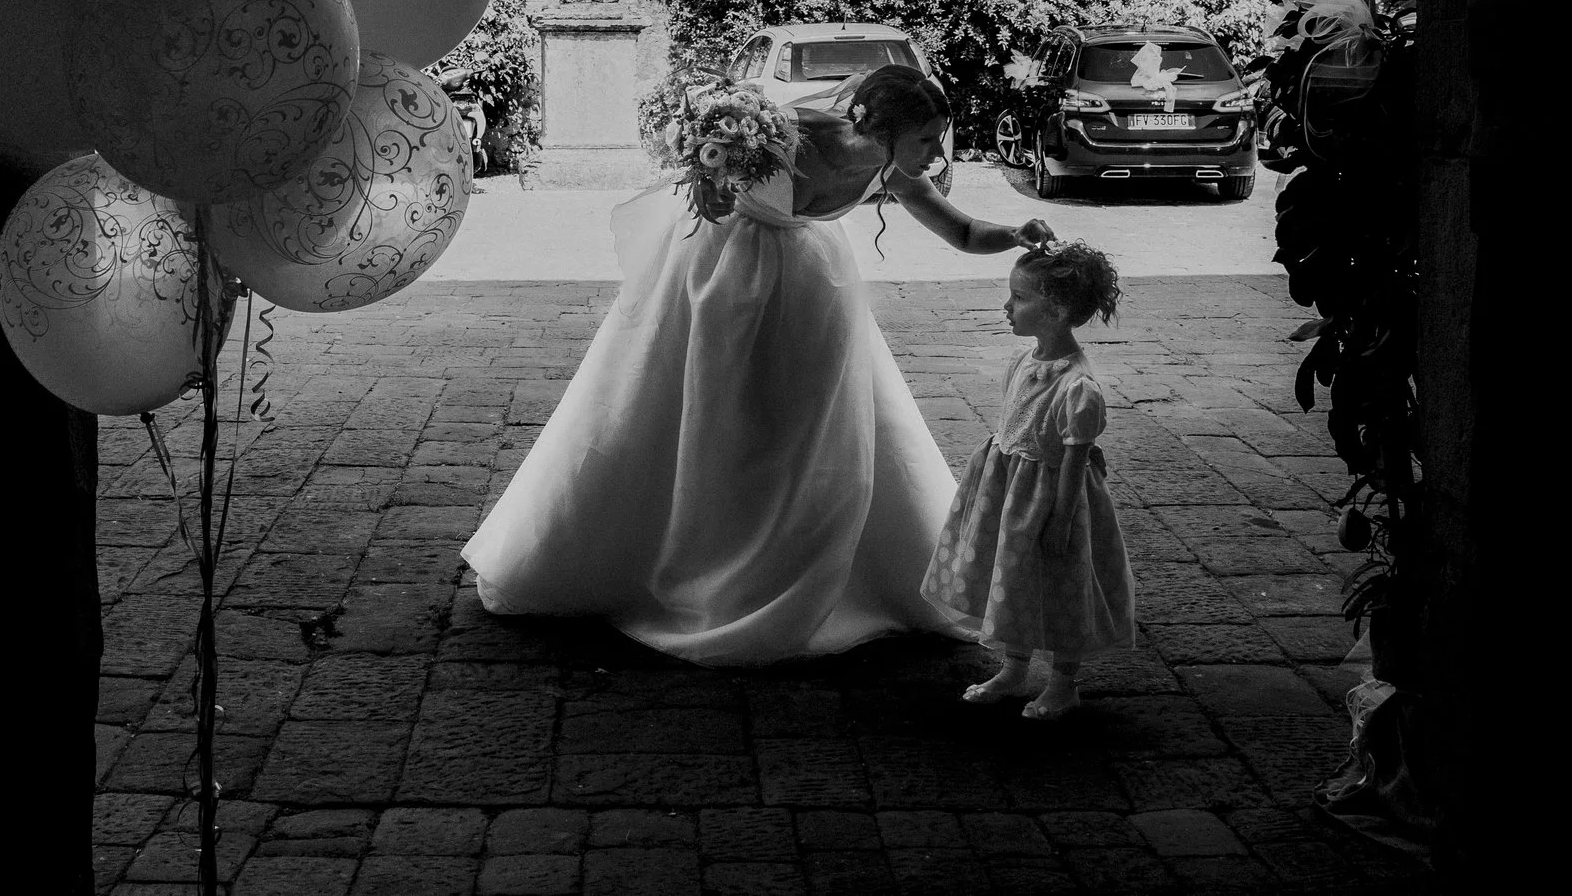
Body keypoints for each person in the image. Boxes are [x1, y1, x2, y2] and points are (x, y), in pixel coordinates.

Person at [461, 64, 1055, 666]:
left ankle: (808, 558)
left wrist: (1016, 233)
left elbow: (963, 231)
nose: (936, 153)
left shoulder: (896, 171)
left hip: (811, 284)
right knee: (714, 411)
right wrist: (710, 174)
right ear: (879, 126)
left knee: (808, 423)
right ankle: (690, 560)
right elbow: (705, 172)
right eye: (925, 139)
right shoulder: (783, 130)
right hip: (723, 272)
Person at [921, 241, 1132, 721]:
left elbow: (1074, 463)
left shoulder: (1078, 387)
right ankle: (1013, 669)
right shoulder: (1022, 362)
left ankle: (1063, 683)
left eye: (1019, 297)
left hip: (1053, 500)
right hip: (1011, 495)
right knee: (1014, 580)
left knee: (1063, 585)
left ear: (1055, 311)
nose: (1007, 306)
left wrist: (1061, 520)